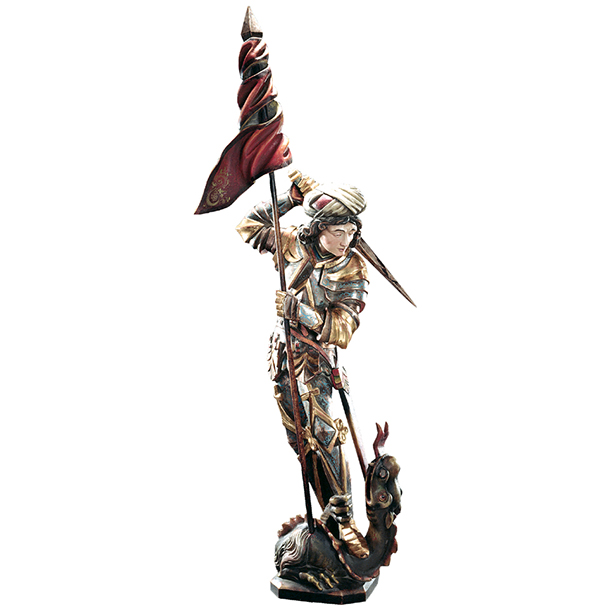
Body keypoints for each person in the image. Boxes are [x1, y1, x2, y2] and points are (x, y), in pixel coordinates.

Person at [236, 174, 369, 557]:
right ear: (319, 227)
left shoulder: (352, 269)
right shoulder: (293, 242)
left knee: (325, 436)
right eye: (337, 232)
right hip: (282, 355)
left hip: (317, 360)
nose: (344, 240)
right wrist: (291, 199)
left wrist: (303, 312)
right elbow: (249, 225)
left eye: (350, 232)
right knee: (299, 440)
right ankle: (326, 516)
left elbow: (342, 328)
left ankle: (344, 520)